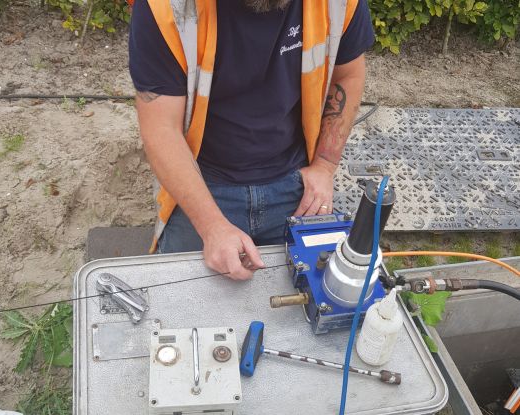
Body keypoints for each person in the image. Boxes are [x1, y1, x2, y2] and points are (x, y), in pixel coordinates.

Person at [129, 0, 375, 280]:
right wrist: (212, 226)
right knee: (176, 295)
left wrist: (325, 166)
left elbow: (349, 74)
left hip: (294, 177)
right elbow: (162, 129)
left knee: (333, 290)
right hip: (203, 182)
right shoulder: (166, 7)